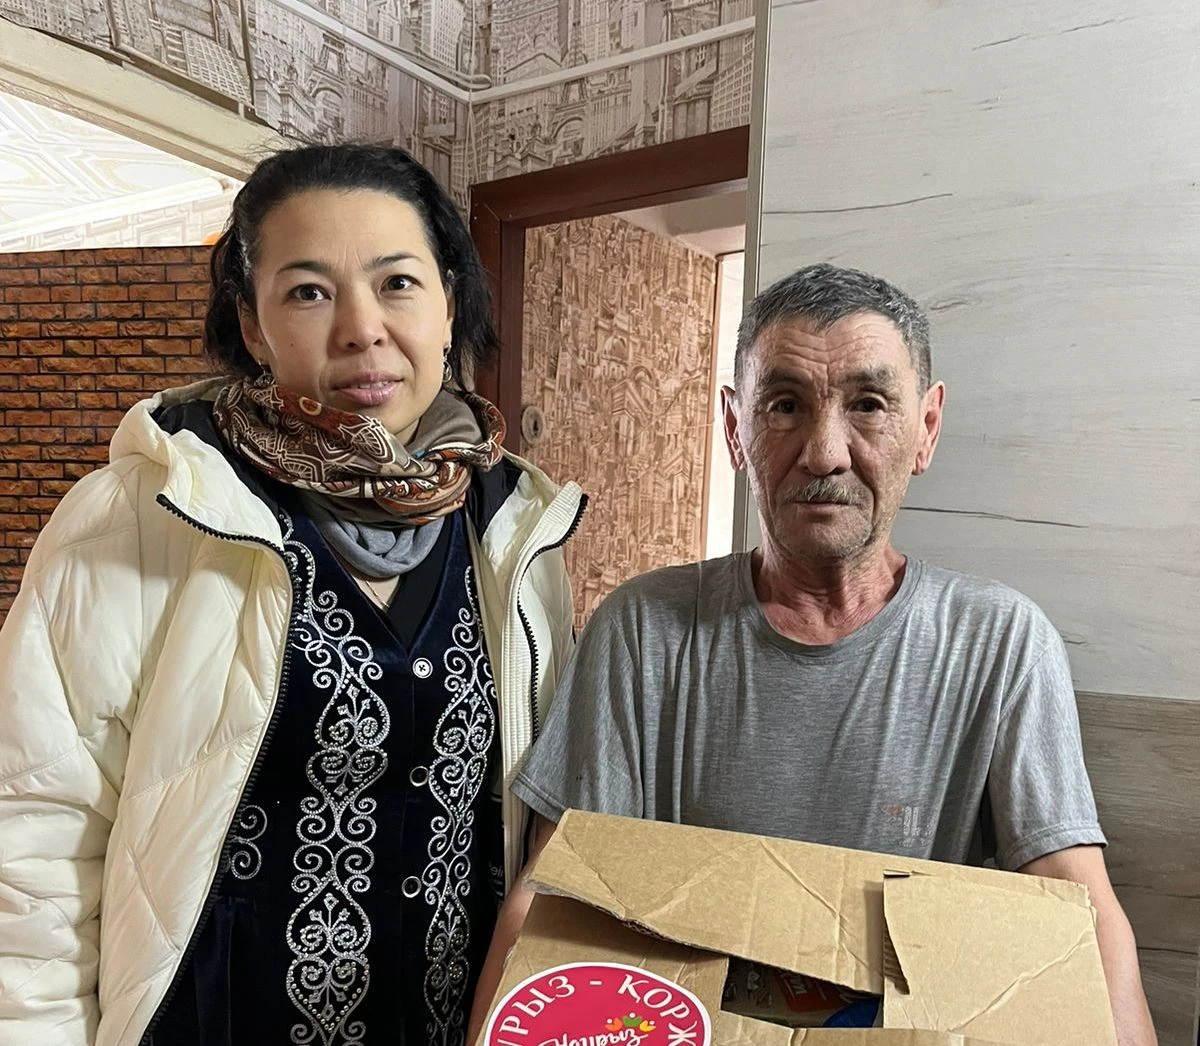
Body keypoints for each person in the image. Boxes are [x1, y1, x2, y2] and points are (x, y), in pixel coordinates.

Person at [0, 144, 584, 1046]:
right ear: (252, 323)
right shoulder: (143, 514)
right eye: (308, 292)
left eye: (397, 283)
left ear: (448, 305)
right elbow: (33, 840)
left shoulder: (514, 527)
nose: (361, 329)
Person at [484, 264, 1156, 1045]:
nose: (825, 453)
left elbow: (1079, 910)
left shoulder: (1001, 644)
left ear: (926, 429)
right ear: (734, 429)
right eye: (784, 406)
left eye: (868, 404)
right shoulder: (642, 631)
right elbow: (552, 895)